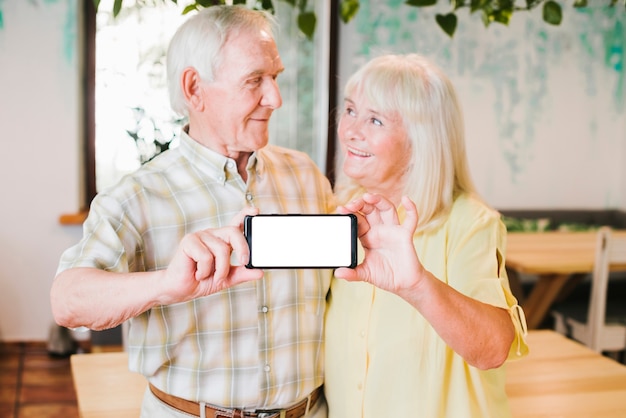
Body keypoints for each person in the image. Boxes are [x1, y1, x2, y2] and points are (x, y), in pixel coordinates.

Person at [51, 6, 333, 417]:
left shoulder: (305, 176)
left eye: (276, 78)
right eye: (255, 80)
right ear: (194, 88)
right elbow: (67, 301)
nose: (276, 98)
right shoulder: (137, 195)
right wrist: (166, 284)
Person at [324, 53, 528, 417]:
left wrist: (417, 286)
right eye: (351, 110)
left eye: (375, 120)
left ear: (420, 140)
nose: (351, 130)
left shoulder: (470, 222)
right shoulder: (337, 211)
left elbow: (493, 349)